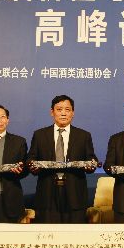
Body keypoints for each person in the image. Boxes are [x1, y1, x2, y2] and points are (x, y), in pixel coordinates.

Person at [27, 95, 97, 223]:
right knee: (48, 233)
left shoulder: (83, 135)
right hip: (47, 194)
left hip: (75, 194)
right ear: (52, 112)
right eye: (59, 109)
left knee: (74, 233)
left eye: (67, 109)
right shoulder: (40, 134)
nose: (63, 113)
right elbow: (31, 158)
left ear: (73, 113)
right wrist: (32, 166)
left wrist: (91, 165)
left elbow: (91, 158)